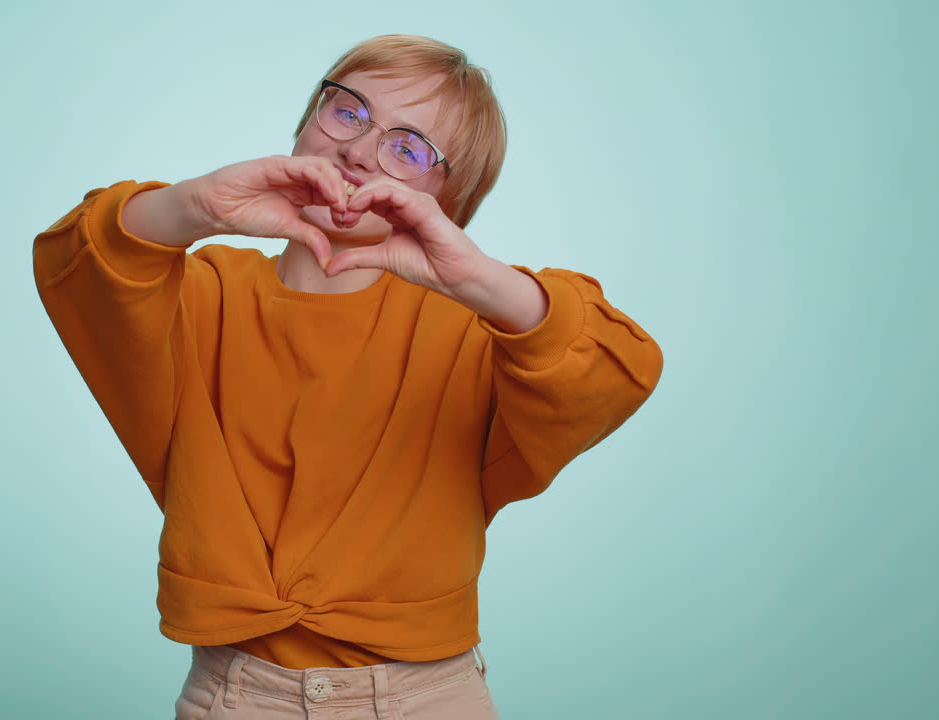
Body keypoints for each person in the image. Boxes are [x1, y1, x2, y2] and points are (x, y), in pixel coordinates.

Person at [33, 34, 663, 719]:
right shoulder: (199, 295)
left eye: (410, 148)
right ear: (306, 123)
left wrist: (476, 276)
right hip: (237, 696)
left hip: (430, 698)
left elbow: (610, 368)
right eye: (349, 111)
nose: (360, 150)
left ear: (446, 201)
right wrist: (196, 206)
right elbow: (86, 262)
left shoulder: (480, 330)